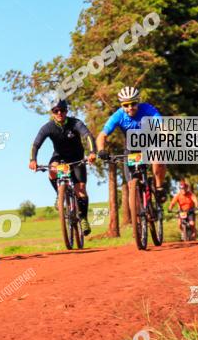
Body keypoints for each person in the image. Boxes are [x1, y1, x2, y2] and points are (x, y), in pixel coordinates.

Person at [96, 86, 168, 215]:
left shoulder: (147, 109)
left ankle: (158, 187)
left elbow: (161, 125)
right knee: (131, 185)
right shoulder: (118, 116)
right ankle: (138, 217)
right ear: (122, 105)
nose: (130, 107)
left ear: (138, 102)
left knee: (158, 159)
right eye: (126, 105)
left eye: (133, 104)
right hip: (132, 148)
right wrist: (101, 150)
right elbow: (102, 135)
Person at [29, 98, 97, 235]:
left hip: (77, 158)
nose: (59, 113)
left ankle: (83, 218)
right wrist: (33, 159)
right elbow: (36, 144)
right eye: (56, 111)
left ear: (66, 111)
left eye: (62, 110)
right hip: (59, 157)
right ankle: (59, 195)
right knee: (52, 170)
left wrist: (92, 152)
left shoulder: (75, 123)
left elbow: (88, 136)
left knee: (81, 189)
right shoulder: (48, 127)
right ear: (52, 112)